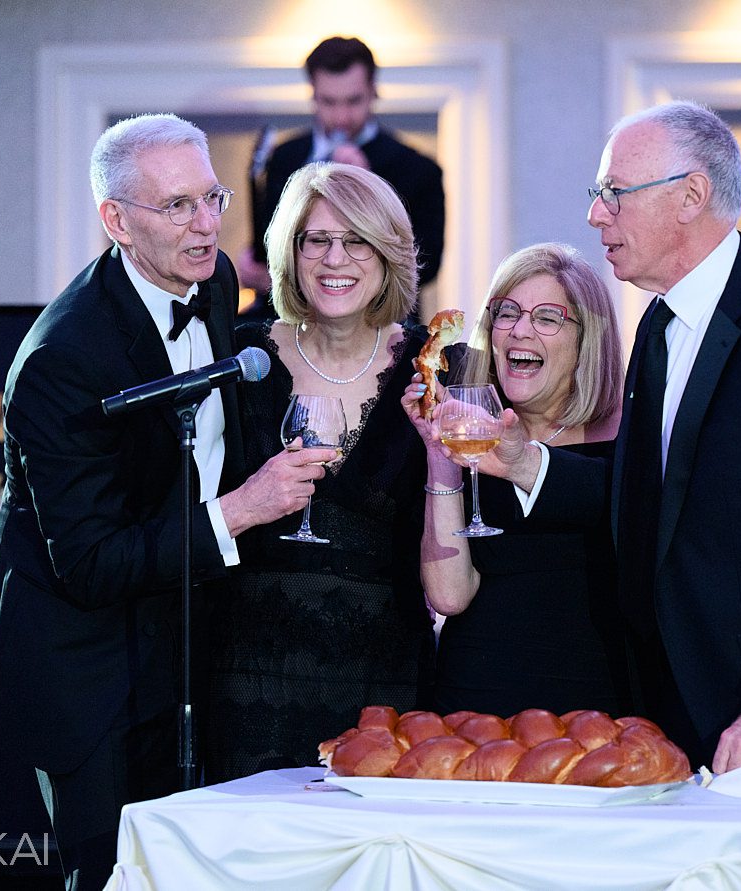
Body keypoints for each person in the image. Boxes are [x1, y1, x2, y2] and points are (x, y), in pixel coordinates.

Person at [467, 101, 741, 776]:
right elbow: (649, 494)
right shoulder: (659, 322)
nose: (595, 216)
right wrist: (526, 462)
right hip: (686, 699)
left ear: (690, 196)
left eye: (613, 194)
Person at [0, 114, 335, 890]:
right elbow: (93, 563)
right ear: (117, 221)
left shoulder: (208, 284)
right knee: (115, 876)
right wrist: (243, 508)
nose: (207, 225)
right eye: (177, 207)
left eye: (212, 197)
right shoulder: (61, 360)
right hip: (90, 668)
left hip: (189, 640)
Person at [204, 162, 440, 782]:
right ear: (292, 253)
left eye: (357, 240)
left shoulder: (434, 367)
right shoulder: (237, 354)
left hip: (382, 683)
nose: (337, 259)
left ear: (387, 255)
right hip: (246, 675)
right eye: (317, 240)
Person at [402, 243, 629, 718]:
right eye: (505, 313)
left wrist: (521, 460)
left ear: (586, 338)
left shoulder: (632, 437)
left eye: (547, 317)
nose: (519, 330)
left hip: (597, 709)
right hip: (475, 708)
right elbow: (449, 595)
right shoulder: (470, 431)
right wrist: (441, 453)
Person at [238, 36, 445, 316]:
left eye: (353, 100)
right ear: (312, 93)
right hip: (287, 321)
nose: (341, 116)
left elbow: (426, 266)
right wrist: (255, 268)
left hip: (378, 324)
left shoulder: (417, 169)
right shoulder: (283, 157)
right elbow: (268, 241)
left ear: (374, 91)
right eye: (329, 101)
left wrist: (369, 193)